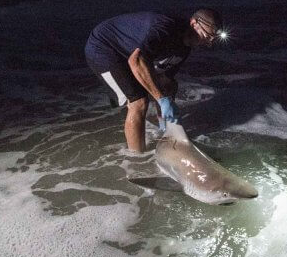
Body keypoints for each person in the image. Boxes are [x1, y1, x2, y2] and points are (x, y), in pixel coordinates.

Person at [84, 8, 225, 152]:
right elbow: (136, 60)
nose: (209, 44)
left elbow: (164, 81)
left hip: (130, 51)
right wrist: (162, 100)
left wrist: (168, 124)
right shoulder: (165, 29)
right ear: (194, 23)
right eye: (207, 36)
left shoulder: (184, 49)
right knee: (138, 102)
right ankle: (136, 159)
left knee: (168, 88)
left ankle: (165, 133)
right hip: (103, 47)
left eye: (213, 39)